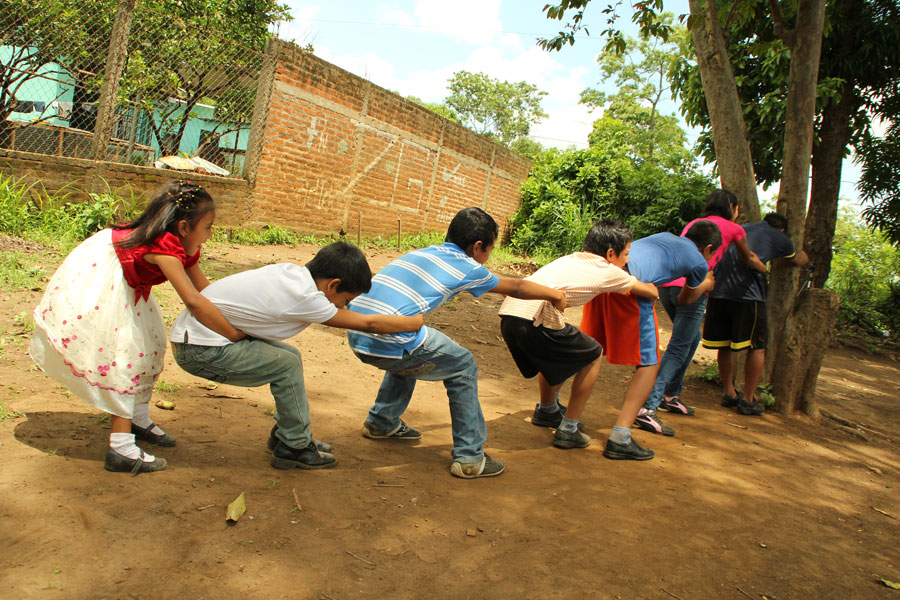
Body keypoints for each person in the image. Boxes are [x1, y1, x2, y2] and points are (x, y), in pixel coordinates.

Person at [29, 181, 245, 474]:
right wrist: (233, 334)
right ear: (183, 227)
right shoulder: (163, 247)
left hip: (131, 283)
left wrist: (243, 314)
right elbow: (193, 301)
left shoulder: (182, 246)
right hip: (104, 278)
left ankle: (137, 418)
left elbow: (206, 290)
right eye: (207, 228)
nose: (208, 236)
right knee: (124, 356)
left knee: (150, 345)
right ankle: (120, 448)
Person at [347, 207, 567, 479]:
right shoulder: (468, 267)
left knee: (417, 351)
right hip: (389, 336)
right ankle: (470, 457)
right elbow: (517, 288)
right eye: (490, 249)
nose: (488, 257)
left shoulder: (424, 252)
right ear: (477, 246)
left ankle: (382, 422)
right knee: (462, 364)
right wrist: (555, 294)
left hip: (357, 331)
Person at [168, 242, 424, 470]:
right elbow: (368, 324)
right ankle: (295, 447)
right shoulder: (306, 297)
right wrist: (413, 323)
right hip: (200, 349)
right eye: (345, 299)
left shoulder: (292, 273)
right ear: (333, 284)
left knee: (288, 356)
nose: (343, 306)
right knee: (286, 365)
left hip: (199, 337)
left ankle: (287, 433)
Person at [498, 218, 659, 450]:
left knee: (562, 349)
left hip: (511, 317)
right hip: (535, 319)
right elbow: (647, 292)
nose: (628, 260)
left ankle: (547, 411)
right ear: (611, 253)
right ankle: (569, 430)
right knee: (593, 353)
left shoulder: (570, 258)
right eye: (626, 254)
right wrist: (654, 288)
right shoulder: (608, 270)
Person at [580, 220, 721, 460]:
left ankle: (561, 419)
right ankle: (620, 436)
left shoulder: (665, 234)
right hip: (632, 286)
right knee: (649, 363)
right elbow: (686, 300)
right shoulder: (699, 262)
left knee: (589, 350)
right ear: (708, 249)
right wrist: (706, 283)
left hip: (605, 277)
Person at [634, 189, 768, 437]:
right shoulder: (734, 229)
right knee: (679, 346)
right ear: (732, 207)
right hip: (693, 287)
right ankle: (648, 406)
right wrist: (763, 268)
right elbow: (747, 256)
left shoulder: (696, 224)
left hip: (668, 286)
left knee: (691, 340)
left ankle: (671, 395)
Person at [701, 212, 809, 415]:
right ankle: (748, 399)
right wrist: (806, 256)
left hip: (717, 289)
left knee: (724, 344)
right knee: (758, 346)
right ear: (782, 229)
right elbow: (796, 260)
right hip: (747, 295)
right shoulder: (780, 238)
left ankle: (729, 392)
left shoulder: (744, 228)